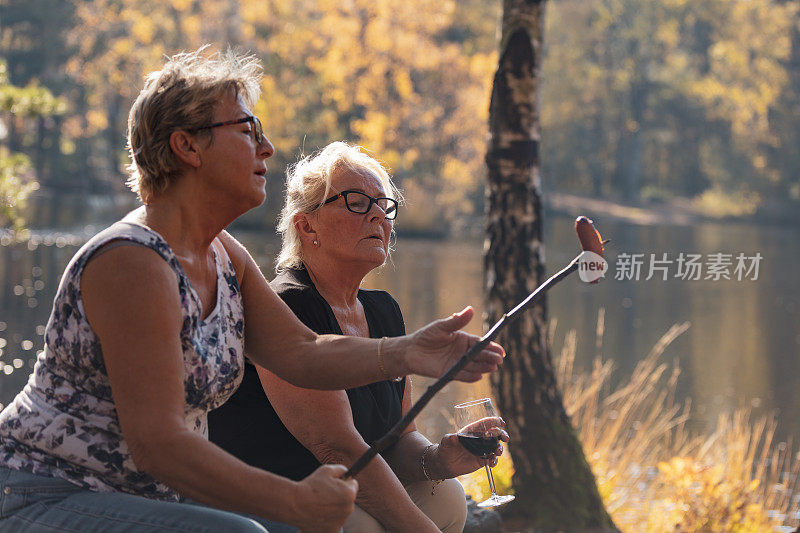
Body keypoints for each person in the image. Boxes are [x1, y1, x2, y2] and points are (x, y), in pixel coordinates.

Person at [0, 49, 504, 533]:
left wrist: (407, 352)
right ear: (187, 145)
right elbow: (159, 445)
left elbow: (302, 352)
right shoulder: (132, 261)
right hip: (47, 494)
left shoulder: (223, 255)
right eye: (247, 131)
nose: (266, 148)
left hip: (145, 500)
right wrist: (292, 501)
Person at [208, 142, 509, 533]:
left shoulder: (383, 310)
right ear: (306, 225)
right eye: (355, 202)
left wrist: (439, 459)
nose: (377, 217)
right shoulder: (287, 305)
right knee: (359, 524)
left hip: (343, 488)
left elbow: (400, 438)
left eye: (384, 206)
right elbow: (338, 449)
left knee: (446, 494)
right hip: (274, 494)